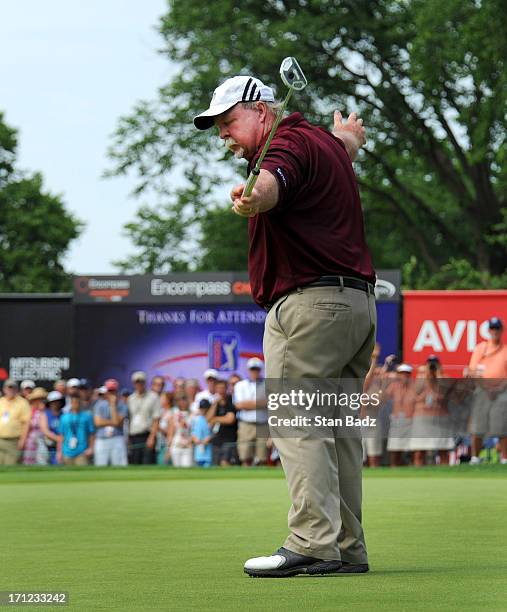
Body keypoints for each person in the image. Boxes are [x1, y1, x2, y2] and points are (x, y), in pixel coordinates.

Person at [194, 73, 374, 577]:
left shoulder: (284, 145)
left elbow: (278, 178)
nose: (225, 135)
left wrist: (257, 197)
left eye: (229, 122)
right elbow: (331, 153)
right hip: (356, 305)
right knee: (336, 431)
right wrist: (349, 143)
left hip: (310, 307)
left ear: (261, 111)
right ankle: (345, 546)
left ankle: (312, 542)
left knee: (299, 424)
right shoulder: (322, 141)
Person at [468, 317, 507, 464]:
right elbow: (472, 372)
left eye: (497, 328)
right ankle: (475, 457)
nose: (495, 331)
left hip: (502, 392)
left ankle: (504, 459)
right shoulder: (481, 348)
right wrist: (487, 388)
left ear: (501, 330)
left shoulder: (505, 350)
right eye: (492, 328)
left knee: (502, 426)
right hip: (482, 391)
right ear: (489, 330)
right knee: (478, 426)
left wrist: (498, 388)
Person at [233, 357, 268, 466]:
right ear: (248, 370)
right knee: (245, 457)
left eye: (256, 369)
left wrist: (249, 404)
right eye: (252, 369)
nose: (254, 372)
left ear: (260, 370)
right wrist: (261, 403)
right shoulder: (240, 385)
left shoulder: (268, 384)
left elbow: (271, 402)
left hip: (263, 424)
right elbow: (239, 405)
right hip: (246, 424)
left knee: (263, 458)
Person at [385, 364, 416, 466]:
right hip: (396, 422)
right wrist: (385, 379)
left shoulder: (415, 386)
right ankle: (393, 471)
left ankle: (413, 473)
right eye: (401, 373)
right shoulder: (393, 386)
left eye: (406, 374)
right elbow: (383, 398)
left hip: (410, 422)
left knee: (412, 450)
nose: (403, 376)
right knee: (394, 450)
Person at [127, 371, 160, 464]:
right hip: (134, 435)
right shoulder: (131, 398)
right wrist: (128, 437)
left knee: (148, 462)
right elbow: (129, 419)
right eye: (137, 382)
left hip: (147, 434)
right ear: (133, 383)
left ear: (145, 382)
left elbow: (156, 418)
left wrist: (152, 437)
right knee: (135, 463)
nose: (139, 384)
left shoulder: (153, 397)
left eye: (141, 381)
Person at [93, 379, 128, 466]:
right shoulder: (99, 404)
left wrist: (112, 405)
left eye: (113, 390)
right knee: (100, 465)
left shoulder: (122, 405)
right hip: (102, 439)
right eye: (109, 390)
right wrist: (113, 422)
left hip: (117, 438)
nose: (111, 393)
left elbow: (117, 422)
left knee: (119, 466)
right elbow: (97, 422)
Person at [207, 379, 238, 466]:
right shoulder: (214, 404)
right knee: (216, 463)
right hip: (216, 439)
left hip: (228, 439)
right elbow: (208, 419)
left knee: (225, 462)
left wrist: (215, 418)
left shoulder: (230, 402)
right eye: (218, 388)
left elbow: (230, 419)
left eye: (223, 388)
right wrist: (215, 403)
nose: (221, 391)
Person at [57, 395, 95, 465]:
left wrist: (91, 448)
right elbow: (61, 435)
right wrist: (59, 451)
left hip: (82, 450)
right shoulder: (64, 417)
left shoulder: (87, 416)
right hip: (67, 450)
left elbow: (91, 434)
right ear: (70, 403)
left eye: (77, 402)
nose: (75, 404)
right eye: (73, 402)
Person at [0, 379, 30, 465]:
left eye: (13, 388)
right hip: (0, 439)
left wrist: (23, 440)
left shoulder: (22, 403)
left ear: (17, 389)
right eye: (9, 388)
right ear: (4, 389)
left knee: (11, 465)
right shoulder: (1, 401)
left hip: (14, 441)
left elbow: (26, 423)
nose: (11, 390)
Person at [23, 387, 51, 465]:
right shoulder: (30, 411)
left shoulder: (47, 411)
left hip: (43, 440)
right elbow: (27, 427)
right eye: (38, 399)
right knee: (29, 462)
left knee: (42, 461)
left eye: (42, 399)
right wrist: (23, 441)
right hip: (31, 441)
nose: (40, 401)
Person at [166, 393, 193, 467]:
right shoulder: (174, 415)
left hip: (187, 446)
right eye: (180, 400)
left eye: (184, 400)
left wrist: (190, 441)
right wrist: (168, 449)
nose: (182, 402)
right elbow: (170, 434)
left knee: (188, 467)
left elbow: (193, 432)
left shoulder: (192, 415)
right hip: (176, 446)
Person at [44, 390, 65, 464]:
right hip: (47, 443)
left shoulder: (64, 414)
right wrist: (58, 439)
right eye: (53, 401)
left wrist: (60, 440)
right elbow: (45, 431)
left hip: (62, 443)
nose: (56, 404)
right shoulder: (45, 414)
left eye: (57, 401)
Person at [191, 399, 213, 467]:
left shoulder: (211, 419)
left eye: (205, 409)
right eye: (202, 408)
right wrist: (195, 439)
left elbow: (213, 433)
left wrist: (208, 439)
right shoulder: (196, 419)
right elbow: (193, 433)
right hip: (198, 452)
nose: (203, 410)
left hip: (208, 452)